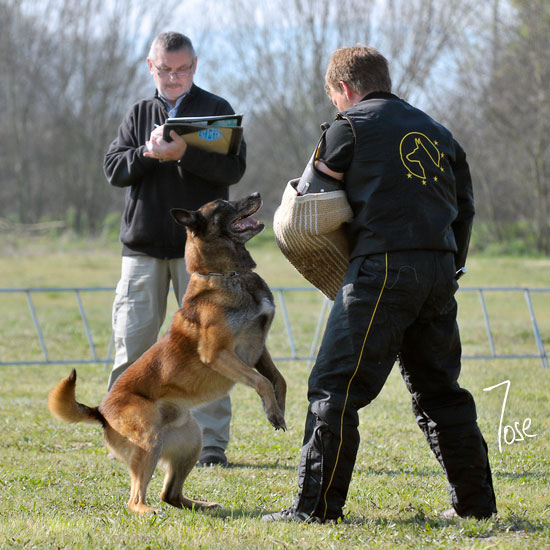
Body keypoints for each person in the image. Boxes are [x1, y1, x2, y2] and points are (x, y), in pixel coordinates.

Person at [264, 46, 497, 523]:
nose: (335, 105)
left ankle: (315, 510)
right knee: (441, 391)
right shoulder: (439, 132)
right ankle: (476, 506)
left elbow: (307, 200)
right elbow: (465, 208)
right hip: (439, 269)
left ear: (344, 88)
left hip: (383, 267)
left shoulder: (346, 128)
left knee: (333, 387)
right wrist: (449, 267)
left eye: (334, 97)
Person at [104, 31, 247, 467]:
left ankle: (212, 445)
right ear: (151, 67)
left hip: (203, 257)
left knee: (211, 349)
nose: (173, 77)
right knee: (132, 345)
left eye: (182, 69)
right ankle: (122, 435)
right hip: (143, 249)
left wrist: (184, 153)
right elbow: (114, 169)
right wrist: (148, 154)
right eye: (165, 69)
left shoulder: (218, 111)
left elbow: (233, 169)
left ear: (195, 66)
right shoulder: (138, 112)